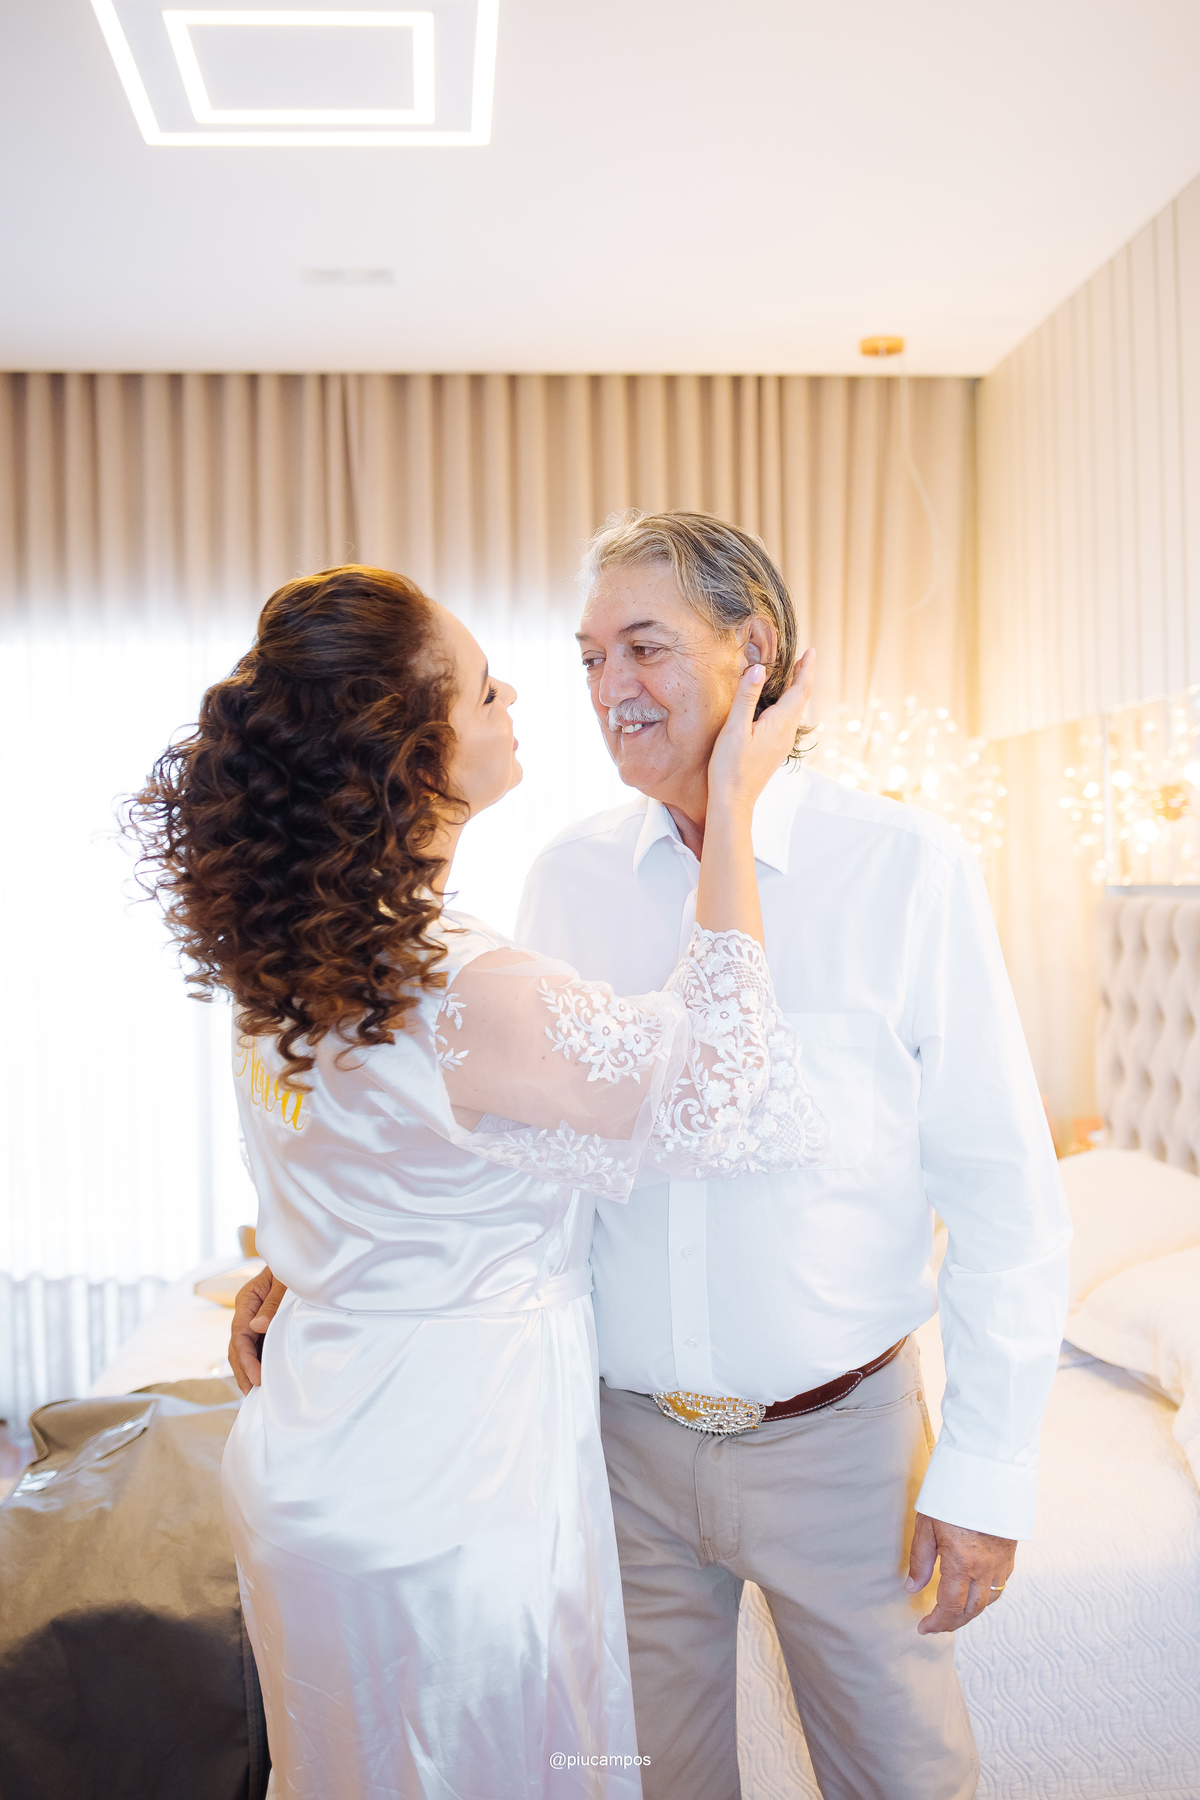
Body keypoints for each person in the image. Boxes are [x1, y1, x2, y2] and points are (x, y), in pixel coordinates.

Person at [233, 514, 1072, 1800]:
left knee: (907, 1780)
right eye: (586, 657)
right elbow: (497, 1127)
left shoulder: (905, 868)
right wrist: (329, 1256)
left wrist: (989, 1471)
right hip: (606, 1453)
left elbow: (1005, 1194)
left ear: (756, 652)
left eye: (644, 646)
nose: (606, 687)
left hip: (841, 1449)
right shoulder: (566, 878)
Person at [131, 562, 827, 1800]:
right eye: (489, 688)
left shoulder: (290, 949)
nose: (524, 702)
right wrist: (733, 805)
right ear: (414, 753)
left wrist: (308, 1263)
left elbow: (355, 1156)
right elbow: (727, 1086)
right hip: (450, 1480)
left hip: (319, 1451)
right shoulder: (460, 987)